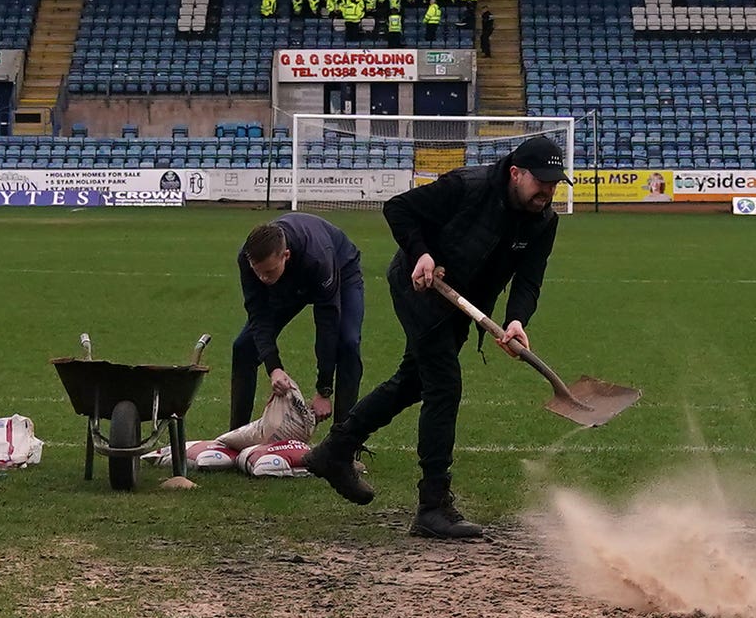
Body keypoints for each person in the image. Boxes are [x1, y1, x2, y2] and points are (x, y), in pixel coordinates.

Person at [305, 131, 564, 541]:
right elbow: (399, 209)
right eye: (541, 182)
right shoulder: (467, 186)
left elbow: (529, 279)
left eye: (553, 184)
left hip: (464, 303)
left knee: (413, 382)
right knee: (443, 384)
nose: (547, 192)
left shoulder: (544, 222)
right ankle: (432, 505)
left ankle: (334, 451)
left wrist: (517, 320)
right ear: (516, 173)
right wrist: (421, 252)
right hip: (420, 287)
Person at [232, 211, 366, 435]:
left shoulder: (317, 257)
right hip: (290, 283)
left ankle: (343, 445)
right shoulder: (249, 260)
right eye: (259, 272)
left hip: (341, 269)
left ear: (285, 255)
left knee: (348, 343)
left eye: (269, 271)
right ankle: (236, 436)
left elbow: (327, 323)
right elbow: (258, 315)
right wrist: (274, 367)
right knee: (244, 346)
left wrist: (324, 390)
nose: (263, 278)